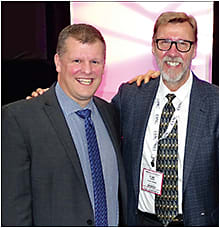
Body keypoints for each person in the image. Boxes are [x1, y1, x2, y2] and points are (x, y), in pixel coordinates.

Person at [112, 12, 219, 226]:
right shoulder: (131, 96)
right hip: (140, 221)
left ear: (194, 49)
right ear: (153, 47)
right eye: (165, 43)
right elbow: (96, 121)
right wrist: (54, 98)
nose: (173, 52)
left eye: (183, 44)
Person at [2, 24, 127, 226]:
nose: (87, 70)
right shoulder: (19, 119)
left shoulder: (111, 113)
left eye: (95, 61)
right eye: (77, 60)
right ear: (58, 62)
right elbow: (12, 209)